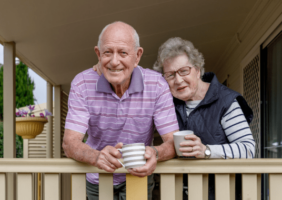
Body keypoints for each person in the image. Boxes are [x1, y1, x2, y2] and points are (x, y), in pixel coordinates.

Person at [62, 21, 179, 200]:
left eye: (123, 53)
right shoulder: (82, 84)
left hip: (138, 174)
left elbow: (172, 142)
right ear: (98, 54)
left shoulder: (156, 84)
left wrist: (155, 153)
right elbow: (69, 144)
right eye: (107, 52)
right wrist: (96, 157)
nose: (114, 61)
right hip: (97, 175)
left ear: (137, 56)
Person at [153, 37, 255, 200]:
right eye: (170, 75)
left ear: (198, 69)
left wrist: (207, 151)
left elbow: (248, 149)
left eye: (184, 71)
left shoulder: (225, 101)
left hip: (221, 194)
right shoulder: (167, 104)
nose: (178, 80)